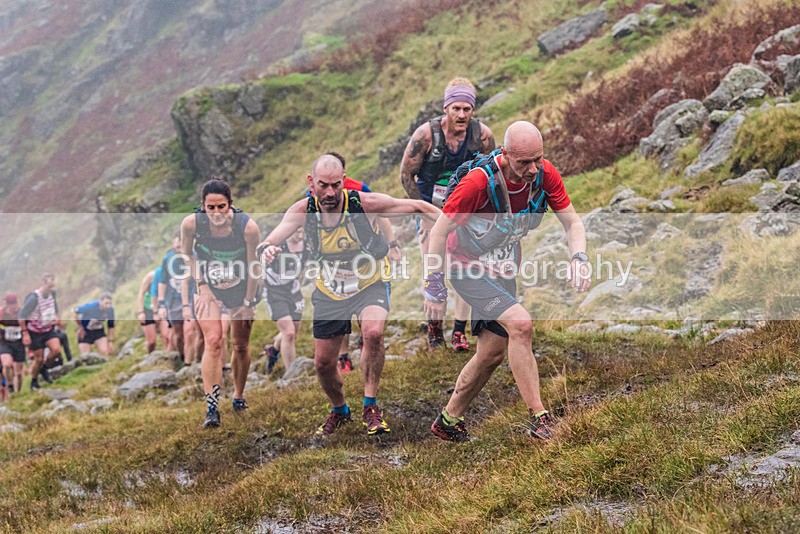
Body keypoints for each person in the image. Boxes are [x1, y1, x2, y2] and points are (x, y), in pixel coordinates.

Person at [424, 121, 590, 442]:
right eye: (524, 162)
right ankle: (540, 418)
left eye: (538, 159)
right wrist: (434, 283)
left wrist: (578, 258)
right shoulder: (476, 184)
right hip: (467, 268)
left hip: (503, 270)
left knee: (492, 353)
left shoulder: (544, 174)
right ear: (505, 153)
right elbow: (438, 231)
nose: (533, 169)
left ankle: (449, 419)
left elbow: (573, 224)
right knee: (521, 325)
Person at [259, 154, 441, 437]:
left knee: (372, 332)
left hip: (371, 283)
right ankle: (339, 409)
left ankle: (371, 406)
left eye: (335, 185)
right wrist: (267, 249)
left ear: (344, 181)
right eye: (323, 185)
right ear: (311, 182)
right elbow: (272, 238)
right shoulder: (302, 211)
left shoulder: (363, 204)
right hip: (330, 291)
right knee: (322, 364)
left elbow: (416, 205)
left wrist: (454, 228)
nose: (330, 193)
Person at [399, 77, 495, 351]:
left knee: (464, 269)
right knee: (435, 270)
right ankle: (434, 331)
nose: (462, 115)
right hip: (431, 211)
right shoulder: (425, 136)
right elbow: (406, 176)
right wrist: (424, 214)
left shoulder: (482, 136)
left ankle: (459, 332)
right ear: (446, 108)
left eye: (467, 109)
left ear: (473, 109)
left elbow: (491, 175)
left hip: (465, 214)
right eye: (456, 109)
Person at [180, 178, 261, 429]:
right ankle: (212, 408)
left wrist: (248, 301)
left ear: (231, 205)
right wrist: (201, 285)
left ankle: (238, 395)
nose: (216, 213)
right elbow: (186, 254)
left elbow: (254, 267)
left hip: (241, 288)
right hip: (209, 288)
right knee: (214, 341)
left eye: (221, 207)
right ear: (202, 206)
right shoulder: (192, 224)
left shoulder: (247, 228)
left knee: (240, 345)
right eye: (210, 207)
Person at [323, 151, 403, 373]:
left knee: (365, 306)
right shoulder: (317, 194)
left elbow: (381, 214)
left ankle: (364, 343)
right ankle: (344, 356)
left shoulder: (359, 188)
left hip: (366, 257)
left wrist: (392, 244)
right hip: (335, 261)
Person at [263, 226, 306, 375]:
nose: (299, 235)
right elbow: (258, 263)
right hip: (274, 291)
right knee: (289, 333)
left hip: (293, 289)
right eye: (296, 232)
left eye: (302, 232)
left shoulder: (307, 244)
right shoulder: (278, 245)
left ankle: (273, 349)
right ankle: (291, 374)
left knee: (294, 329)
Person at [19, 274, 63, 390]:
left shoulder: (52, 294)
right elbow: (21, 316)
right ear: (43, 283)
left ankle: (44, 368)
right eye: (49, 286)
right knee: (38, 359)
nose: (51, 289)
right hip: (35, 332)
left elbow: (55, 307)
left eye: (53, 286)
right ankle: (34, 382)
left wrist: (58, 318)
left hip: (48, 329)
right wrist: (25, 333)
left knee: (56, 350)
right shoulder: (34, 298)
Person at [157, 234, 196, 365]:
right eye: (176, 246)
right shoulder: (168, 259)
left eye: (180, 245)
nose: (178, 248)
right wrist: (161, 304)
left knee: (189, 332)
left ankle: (188, 363)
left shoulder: (195, 255)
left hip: (191, 298)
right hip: (173, 301)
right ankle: (181, 356)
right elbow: (162, 282)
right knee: (178, 334)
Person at [0, 294, 25, 396]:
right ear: (6, 303)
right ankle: (10, 385)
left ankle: (17, 393)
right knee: (6, 364)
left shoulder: (21, 313)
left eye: (13, 303)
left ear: (16, 303)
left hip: (18, 343)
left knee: (18, 372)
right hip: (4, 342)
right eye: (9, 303)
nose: (11, 306)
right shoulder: (1, 313)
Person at [137, 271, 159, 353]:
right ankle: (150, 357)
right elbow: (141, 293)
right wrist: (140, 312)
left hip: (161, 308)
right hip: (147, 308)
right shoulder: (151, 276)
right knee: (152, 342)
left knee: (167, 336)